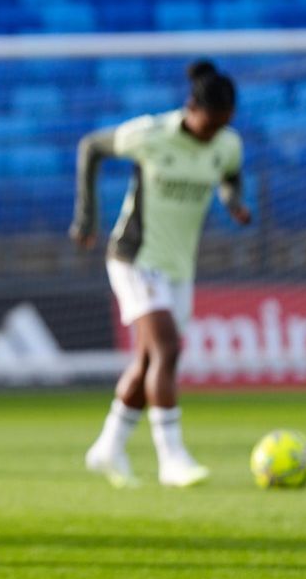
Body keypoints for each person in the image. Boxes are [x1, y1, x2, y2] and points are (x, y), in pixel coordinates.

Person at [71, 60, 250, 488]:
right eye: (210, 124)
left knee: (150, 358)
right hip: (135, 257)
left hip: (178, 266)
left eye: (223, 125)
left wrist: (233, 202)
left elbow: (228, 175)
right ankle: (172, 459)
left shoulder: (227, 144)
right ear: (192, 108)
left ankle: (107, 448)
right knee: (168, 349)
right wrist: (86, 217)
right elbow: (91, 147)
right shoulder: (151, 134)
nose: (214, 134)